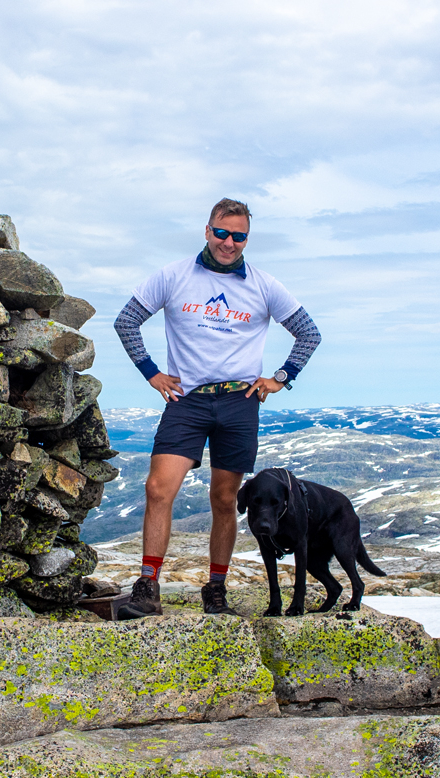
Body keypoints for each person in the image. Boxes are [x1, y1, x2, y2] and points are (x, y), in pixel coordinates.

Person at [109, 198, 321, 619]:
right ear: (207, 231)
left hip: (240, 402)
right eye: (222, 233)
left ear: (247, 238)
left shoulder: (264, 285)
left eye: (239, 236)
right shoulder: (174, 275)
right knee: (158, 488)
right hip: (187, 400)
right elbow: (126, 320)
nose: (229, 243)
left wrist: (280, 378)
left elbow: (308, 333)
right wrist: (152, 373)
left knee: (225, 499)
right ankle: (148, 587)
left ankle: (216, 589)